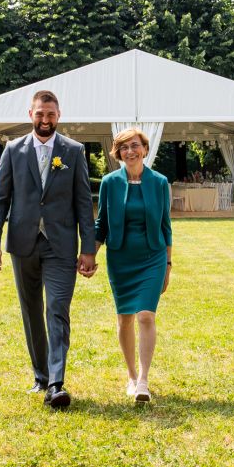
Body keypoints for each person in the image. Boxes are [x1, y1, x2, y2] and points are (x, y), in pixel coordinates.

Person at [0, 90, 96, 409]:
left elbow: (83, 202)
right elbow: (0, 199)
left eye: (50, 114)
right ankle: (42, 376)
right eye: (39, 114)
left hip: (61, 245)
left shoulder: (73, 151)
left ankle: (57, 383)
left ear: (58, 115)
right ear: (30, 114)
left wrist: (88, 249)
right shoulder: (13, 150)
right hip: (23, 244)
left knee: (57, 308)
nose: (45, 120)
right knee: (31, 310)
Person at [94, 128, 172, 404]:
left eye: (135, 145)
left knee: (146, 316)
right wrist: (90, 254)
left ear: (145, 149)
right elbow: (101, 224)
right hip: (120, 259)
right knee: (125, 318)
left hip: (153, 258)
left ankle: (143, 381)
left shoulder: (160, 182)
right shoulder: (109, 183)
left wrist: (168, 265)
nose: (130, 151)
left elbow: (166, 226)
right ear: (118, 153)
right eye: (124, 147)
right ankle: (130, 375)